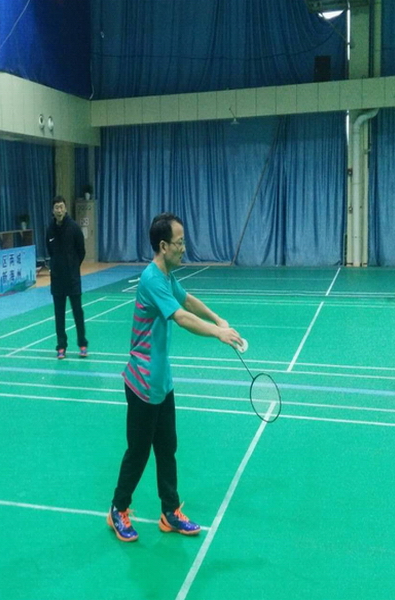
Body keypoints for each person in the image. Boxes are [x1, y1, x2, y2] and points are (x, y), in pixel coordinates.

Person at [107, 213, 242, 542]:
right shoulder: (152, 279)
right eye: (180, 242)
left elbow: (187, 300)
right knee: (138, 452)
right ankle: (118, 509)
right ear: (163, 246)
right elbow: (180, 316)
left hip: (161, 381)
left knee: (167, 448)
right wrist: (217, 334)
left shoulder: (167, 277)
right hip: (142, 382)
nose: (184, 247)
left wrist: (218, 318)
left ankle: (170, 512)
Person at [46, 196, 88, 359]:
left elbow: (81, 251)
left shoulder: (74, 228)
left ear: (65, 209)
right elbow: (50, 250)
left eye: (61, 207)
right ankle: (61, 346)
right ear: (53, 210)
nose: (59, 210)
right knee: (59, 314)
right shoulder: (50, 229)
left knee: (78, 312)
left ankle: (82, 344)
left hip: (72, 279)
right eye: (56, 207)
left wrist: (73, 266)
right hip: (57, 279)